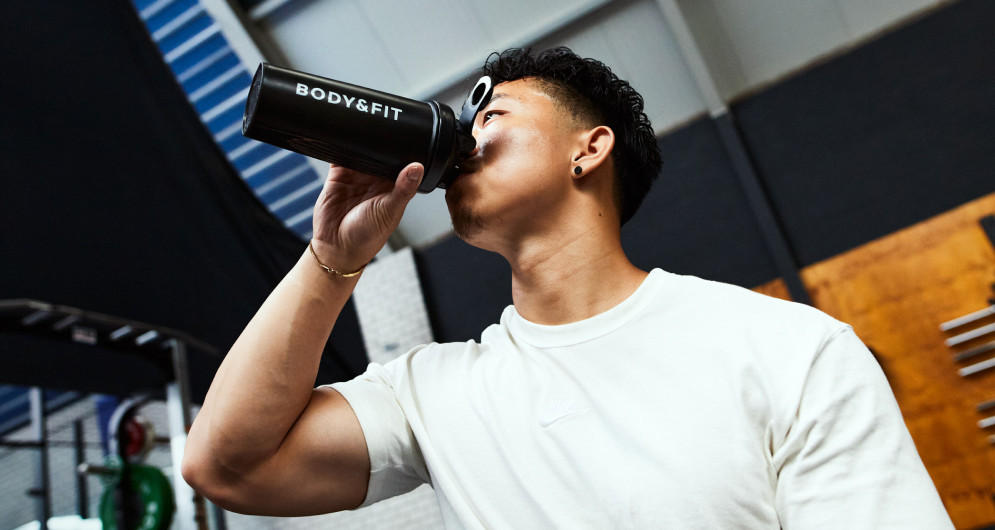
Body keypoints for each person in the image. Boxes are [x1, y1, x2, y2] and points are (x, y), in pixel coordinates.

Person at [182, 47, 952, 528]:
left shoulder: (787, 348)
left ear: (589, 150)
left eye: (497, 114)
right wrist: (332, 259)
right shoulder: (431, 391)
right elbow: (227, 467)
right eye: (466, 118)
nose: (468, 134)